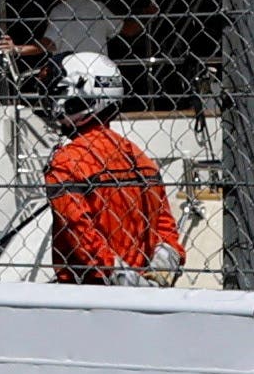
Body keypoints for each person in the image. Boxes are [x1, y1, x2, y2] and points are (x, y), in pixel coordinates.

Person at [41, 51, 182, 285]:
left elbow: (80, 233)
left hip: (85, 291)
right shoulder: (139, 157)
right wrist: (154, 279)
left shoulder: (67, 161)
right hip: (144, 286)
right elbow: (166, 228)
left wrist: (118, 275)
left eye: (57, 92)